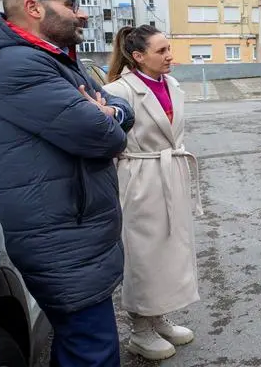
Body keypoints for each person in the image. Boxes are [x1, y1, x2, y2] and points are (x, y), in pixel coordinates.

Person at [0, 0, 134, 366]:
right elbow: (106, 137)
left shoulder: (50, 58)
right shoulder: (17, 66)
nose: (81, 14)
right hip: (61, 236)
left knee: (80, 344)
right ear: (34, 8)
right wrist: (105, 117)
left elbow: (119, 111)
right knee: (93, 351)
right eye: (71, 4)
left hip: (72, 230)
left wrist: (109, 112)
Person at [101, 25, 200, 360]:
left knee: (169, 250)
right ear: (138, 56)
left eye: (169, 48)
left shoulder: (170, 84)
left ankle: (158, 317)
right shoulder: (118, 89)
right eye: (161, 51)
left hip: (170, 172)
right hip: (139, 177)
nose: (169, 56)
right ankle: (139, 330)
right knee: (142, 254)